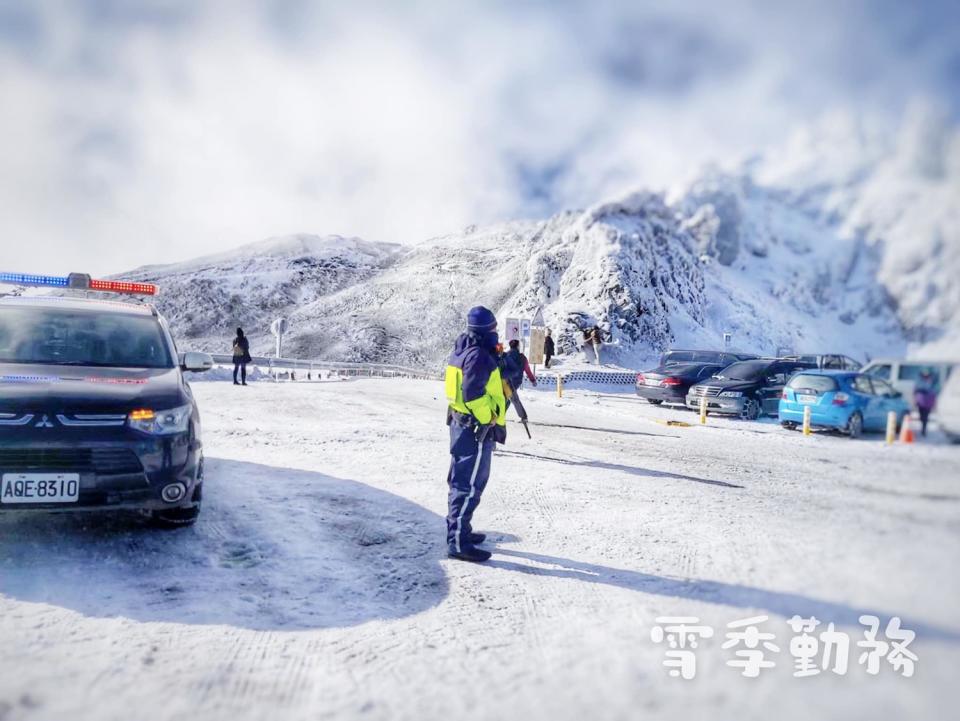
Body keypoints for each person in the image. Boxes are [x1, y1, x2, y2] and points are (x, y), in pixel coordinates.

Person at [444, 306, 507, 563]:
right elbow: (473, 393)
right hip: (475, 428)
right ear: (488, 330)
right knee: (469, 485)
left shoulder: (461, 349)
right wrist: (488, 417)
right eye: (494, 328)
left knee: (461, 480)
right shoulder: (479, 356)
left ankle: (462, 532)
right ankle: (458, 542)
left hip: (461, 424)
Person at [914, 369, 939, 437]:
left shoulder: (932, 383)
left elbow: (934, 392)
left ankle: (923, 430)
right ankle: (923, 427)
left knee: (925, 417)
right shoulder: (919, 382)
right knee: (921, 417)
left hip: (928, 403)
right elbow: (915, 391)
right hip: (921, 402)